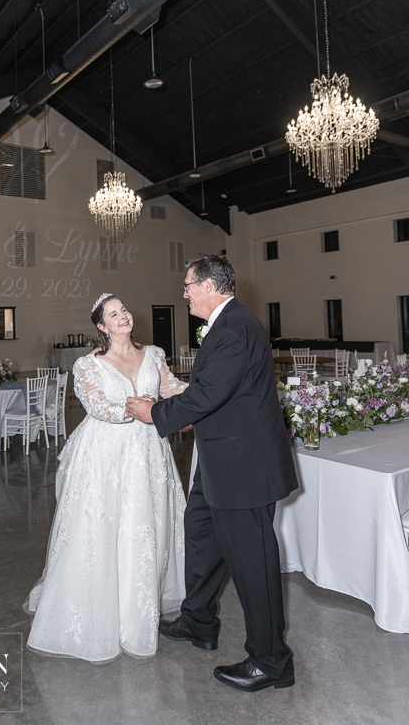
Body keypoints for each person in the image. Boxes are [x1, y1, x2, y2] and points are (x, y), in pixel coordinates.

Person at [126, 255, 298, 692]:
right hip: (222, 458)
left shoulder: (233, 329)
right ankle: (198, 620)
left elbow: (206, 394)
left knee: (253, 563)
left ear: (209, 286)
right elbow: (220, 393)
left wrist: (155, 413)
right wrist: (188, 417)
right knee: (201, 532)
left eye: (188, 286)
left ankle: (271, 661)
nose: (184, 294)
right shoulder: (227, 325)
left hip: (243, 467)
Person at [25, 293, 188, 664]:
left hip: (148, 452)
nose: (123, 316)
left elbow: (170, 388)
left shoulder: (154, 354)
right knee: (104, 527)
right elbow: (95, 404)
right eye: (113, 314)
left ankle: (137, 603)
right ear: (102, 325)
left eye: (124, 309)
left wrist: (202, 396)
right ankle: (101, 608)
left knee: (143, 525)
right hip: (105, 456)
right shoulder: (88, 364)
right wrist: (139, 410)